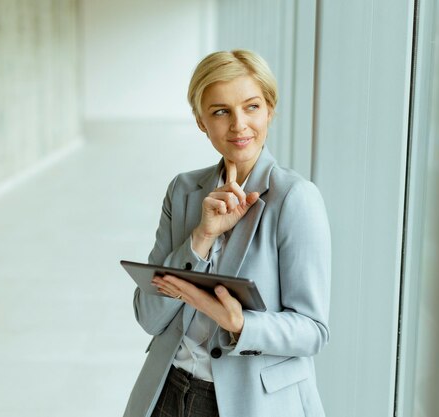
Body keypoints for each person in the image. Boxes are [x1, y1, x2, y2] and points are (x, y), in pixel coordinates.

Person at [123, 50, 331, 417]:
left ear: (270, 109)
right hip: (168, 392)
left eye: (251, 107)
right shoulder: (184, 190)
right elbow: (149, 317)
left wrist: (240, 323)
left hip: (250, 402)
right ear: (202, 122)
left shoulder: (296, 199)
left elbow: (313, 331)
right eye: (220, 111)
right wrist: (201, 236)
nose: (238, 125)